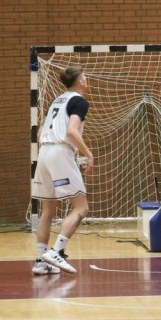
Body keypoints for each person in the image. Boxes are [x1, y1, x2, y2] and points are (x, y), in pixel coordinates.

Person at [31, 65, 94, 275]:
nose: (86, 79)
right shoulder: (79, 101)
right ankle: (56, 251)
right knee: (81, 208)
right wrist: (88, 153)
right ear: (81, 82)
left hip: (44, 154)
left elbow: (39, 134)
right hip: (60, 153)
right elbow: (71, 131)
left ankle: (41, 261)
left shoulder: (56, 101)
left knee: (47, 211)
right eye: (85, 76)